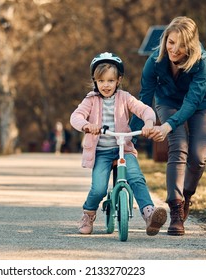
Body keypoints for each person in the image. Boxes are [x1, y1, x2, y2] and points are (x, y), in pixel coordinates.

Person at [129, 16, 206, 236]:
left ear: (192, 44)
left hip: (200, 105)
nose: (174, 49)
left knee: (198, 157)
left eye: (182, 44)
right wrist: (131, 136)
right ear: (165, 39)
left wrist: (167, 126)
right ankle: (176, 210)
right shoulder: (155, 61)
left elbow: (192, 102)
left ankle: (187, 194)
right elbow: (145, 97)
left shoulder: (204, 62)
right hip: (167, 102)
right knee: (178, 147)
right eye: (171, 42)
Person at [70, 52, 167, 236]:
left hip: (124, 149)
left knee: (136, 178)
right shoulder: (91, 100)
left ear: (118, 80)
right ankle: (88, 214)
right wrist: (87, 125)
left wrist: (148, 123)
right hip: (102, 152)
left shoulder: (125, 97)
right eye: (101, 81)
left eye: (110, 80)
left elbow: (144, 109)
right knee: (98, 188)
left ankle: (149, 214)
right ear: (95, 81)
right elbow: (75, 117)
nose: (106, 85)